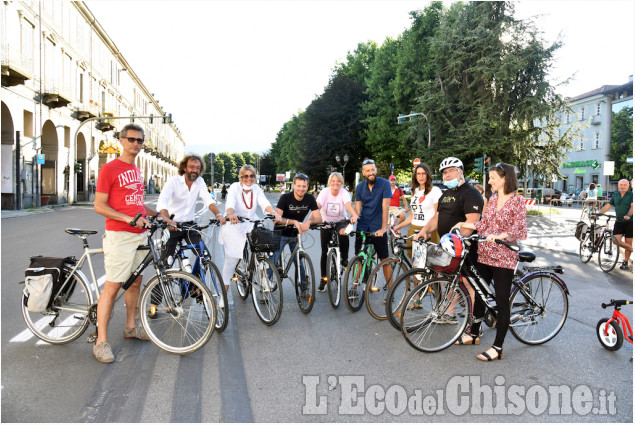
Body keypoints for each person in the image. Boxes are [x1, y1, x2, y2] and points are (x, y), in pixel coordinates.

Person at [93, 123, 157, 363]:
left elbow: (137, 205)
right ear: (121, 140)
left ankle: (131, 327)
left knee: (135, 283)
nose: (136, 144)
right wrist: (129, 219)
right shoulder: (109, 169)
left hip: (139, 235)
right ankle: (101, 342)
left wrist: (159, 215)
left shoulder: (137, 171)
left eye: (140, 141)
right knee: (112, 287)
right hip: (120, 235)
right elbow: (100, 206)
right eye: (131, 139)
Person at [453, 162, 527, 361]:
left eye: (493, 177)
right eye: (490, 177)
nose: (490, 181)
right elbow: (484, 224)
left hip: (504, 256)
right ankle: (474, 334)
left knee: (502, 301)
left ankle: (498, 347)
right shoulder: (493, 199)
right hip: (486, 253)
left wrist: (501, 235)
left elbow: (519, 228)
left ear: (505, 179)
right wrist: (464, 224)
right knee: (480, 292)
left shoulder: (518, 201)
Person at [414, 157, 483, 321]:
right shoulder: (446, 194)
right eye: (445, 172)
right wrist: (424, 231)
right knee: (451, 280)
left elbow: (472, 222)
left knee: (468, 283)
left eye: (451, 171)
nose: (447, 175)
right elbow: (437, 218)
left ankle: (474, 324)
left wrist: (455, 243)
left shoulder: (471, 193)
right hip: (448, 246)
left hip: (465, 247)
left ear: (461, 172)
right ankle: (450, 314)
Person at [156, 154, 226, 285]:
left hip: (189, 225)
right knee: (165, 264)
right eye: (192, 167)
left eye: (198, 168)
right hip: (172, 225)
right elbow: (162, 202)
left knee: (205, 256)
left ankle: (196, 287)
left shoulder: (200, 182)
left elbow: (208, 200)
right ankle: (155, 301)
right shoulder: (173, 181)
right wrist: (167, 221)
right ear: (184, 167)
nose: (195, 170)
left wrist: (218, 215)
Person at [221, 165, 279, 292]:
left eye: (252, 176)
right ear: (241, 178)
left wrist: (273, 212)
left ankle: (264, 279)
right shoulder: (235, 187)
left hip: (251, 221)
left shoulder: (256, 188)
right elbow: (230, 203)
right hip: (234, 223)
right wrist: (230, 214)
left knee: (263, 247)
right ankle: (223, 295)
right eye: (246, 176)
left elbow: (264, 202)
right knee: (231, 259)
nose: (249, 178)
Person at [271, 173, 322, 294]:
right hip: (280, 232)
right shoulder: (285, 198)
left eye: (304, 186)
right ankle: (265, 287)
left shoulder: (310, 198)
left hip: (295, 234)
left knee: (300, 261)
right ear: (294, 185)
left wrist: (309, 221)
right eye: (298, 185)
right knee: (273, 259)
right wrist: (294, 222)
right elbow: (276, 219)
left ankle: (304, 289)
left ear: (308, 186)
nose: (301, 188)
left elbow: (319, 219)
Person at [316, 172, 359, 291]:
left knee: (343, 232)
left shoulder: (344, 192)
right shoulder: (324, 192)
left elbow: (348, 205)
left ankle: (344, 259)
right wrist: (310, 220)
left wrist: (354, 215)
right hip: (326, 221)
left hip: (340, 221)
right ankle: (323, 278)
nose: (336, 183)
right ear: (330, 182)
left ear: (341, 183)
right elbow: (317, 206)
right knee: (324, 252)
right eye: (333, 181)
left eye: (338, 181)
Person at [354, 159, 392, 282]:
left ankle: (391, 289)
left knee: (384, 259)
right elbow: (358, 210)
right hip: (363, 225)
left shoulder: (385, 184)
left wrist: (383, 228)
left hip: (378, 225)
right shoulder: (359, 187)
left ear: (375, 170)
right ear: (364, 173)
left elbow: (385, 207)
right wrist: (353, 218)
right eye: (368, 171)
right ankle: (354, 285)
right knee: (359, 257)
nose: (371, 172)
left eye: (373, 170)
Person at [394, 164, 442, 258]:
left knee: (430, 263)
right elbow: (412, 217)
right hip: (414, 229)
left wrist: (426, 229)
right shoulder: (414, 192)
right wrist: (397, 227)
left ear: (428, 175)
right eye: (418, 173)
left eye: (423, 173)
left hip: (429, 229)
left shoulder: (435, 191)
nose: (421, 176)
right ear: (415, 176)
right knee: (414, 260)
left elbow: (437, 215)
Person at [597, 179, 633, 270]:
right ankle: (632, 249)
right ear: (618, 185)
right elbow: (608, 206)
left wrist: (628, 215)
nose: (623, 186)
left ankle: (625, 262)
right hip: (619, 221)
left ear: (628, 186)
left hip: (630, 222)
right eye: (621, 184)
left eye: (625, 185)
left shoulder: (632, 195)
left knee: (628, 242)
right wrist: (599, 213)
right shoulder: (615, 195)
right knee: (615, 240)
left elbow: (633, 207)